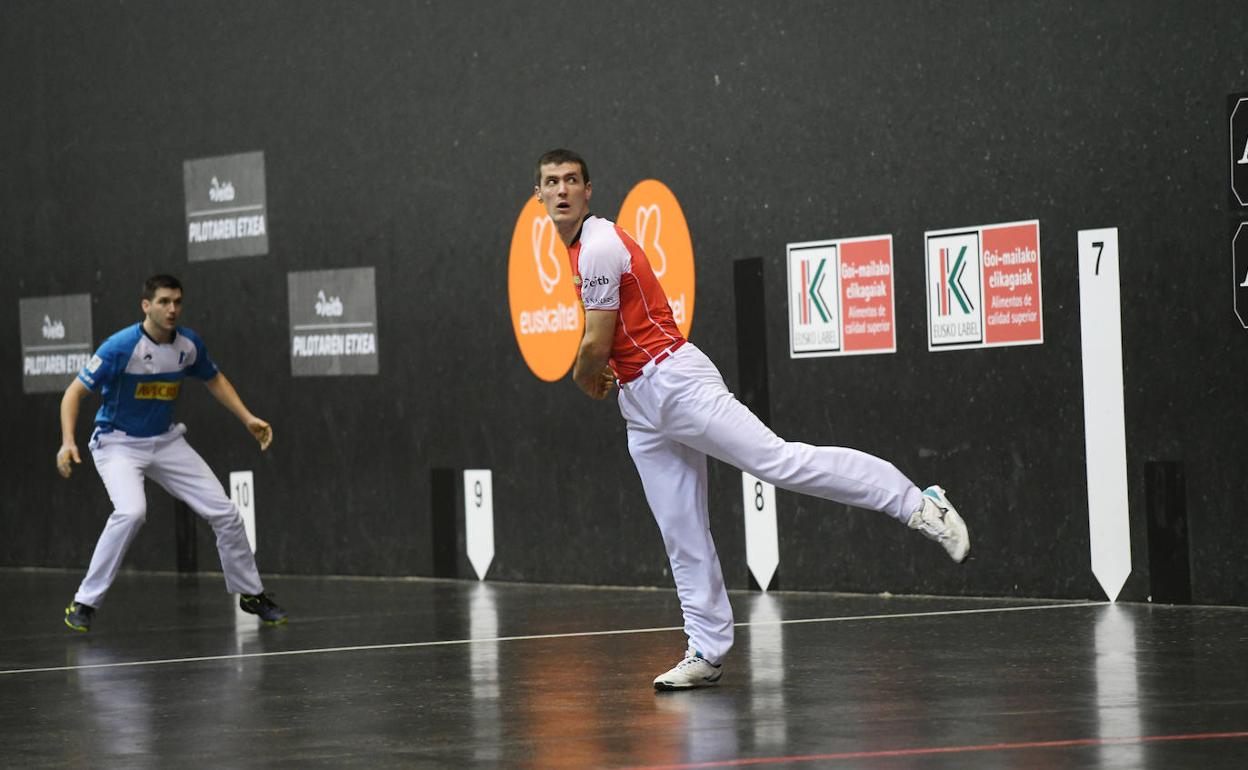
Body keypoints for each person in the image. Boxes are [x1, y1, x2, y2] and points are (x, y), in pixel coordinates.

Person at [534, 148, 970, 691]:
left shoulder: (598, 244)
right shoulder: (576, 250)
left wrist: (584, 377)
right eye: (551, 183)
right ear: (539, 195)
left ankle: (918, 504)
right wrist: (604, 375)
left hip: (676, 382)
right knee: (681, 529)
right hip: (641, 405)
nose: (561, 190)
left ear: (588, 190)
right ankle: (707, 649)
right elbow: (605, 345)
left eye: (571, 180)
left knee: (779, 461)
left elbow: (595, 344)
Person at [56, 274, 287, 631]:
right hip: (117, 444)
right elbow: (73, 393)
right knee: (132, 512)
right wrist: (68, 441)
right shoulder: (119, 347)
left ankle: (251, 593)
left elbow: (214, 378)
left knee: (225, 512)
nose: (172, 309)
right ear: (146, 305)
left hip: (165, 442)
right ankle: (84, 602)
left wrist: (247, 418)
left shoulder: (188, 345)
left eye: (177, 301)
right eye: (164, 302)